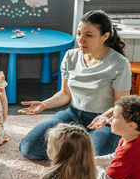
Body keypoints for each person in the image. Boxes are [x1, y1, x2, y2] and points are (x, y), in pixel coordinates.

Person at [19, 10, 131, 160]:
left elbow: (120, 104)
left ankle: (77, 147)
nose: (81, 39)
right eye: (79, 33)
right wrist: (44, 104)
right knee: (29, 148)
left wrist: (103, 117)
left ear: (105, 36)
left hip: (104, 120)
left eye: (88, 35)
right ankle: (76, 147)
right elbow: (65, 93)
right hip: (72, 114)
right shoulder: (70, 56)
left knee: (92, 160)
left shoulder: (119, 63)